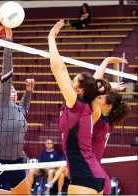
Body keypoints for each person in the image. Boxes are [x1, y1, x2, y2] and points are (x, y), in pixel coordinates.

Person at [48, 20, 111, 195]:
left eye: (73, 80)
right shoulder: (88, 107)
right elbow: (91, 81)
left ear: (78, 90)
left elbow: (56, 67)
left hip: (84, 176)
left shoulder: (76, 105)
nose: (69, 80)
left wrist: (51, 37)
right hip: (95, 176)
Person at [0, 11, 35, 195]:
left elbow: (25, 108)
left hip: (17, 164)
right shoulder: (2, 103)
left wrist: (28, 90)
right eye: (10, 89)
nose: (13, 89)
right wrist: (9, 40)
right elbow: (7, 71)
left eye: (14, 89)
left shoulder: (17, 109)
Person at [92, 57, 131, 194]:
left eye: (102, 96)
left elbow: (92, 86)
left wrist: (106, 61)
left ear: (108, 106)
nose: (99, 95)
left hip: (92, 173)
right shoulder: (108, 120)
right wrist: (107, 61)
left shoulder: (99, 119)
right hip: (99, 173)